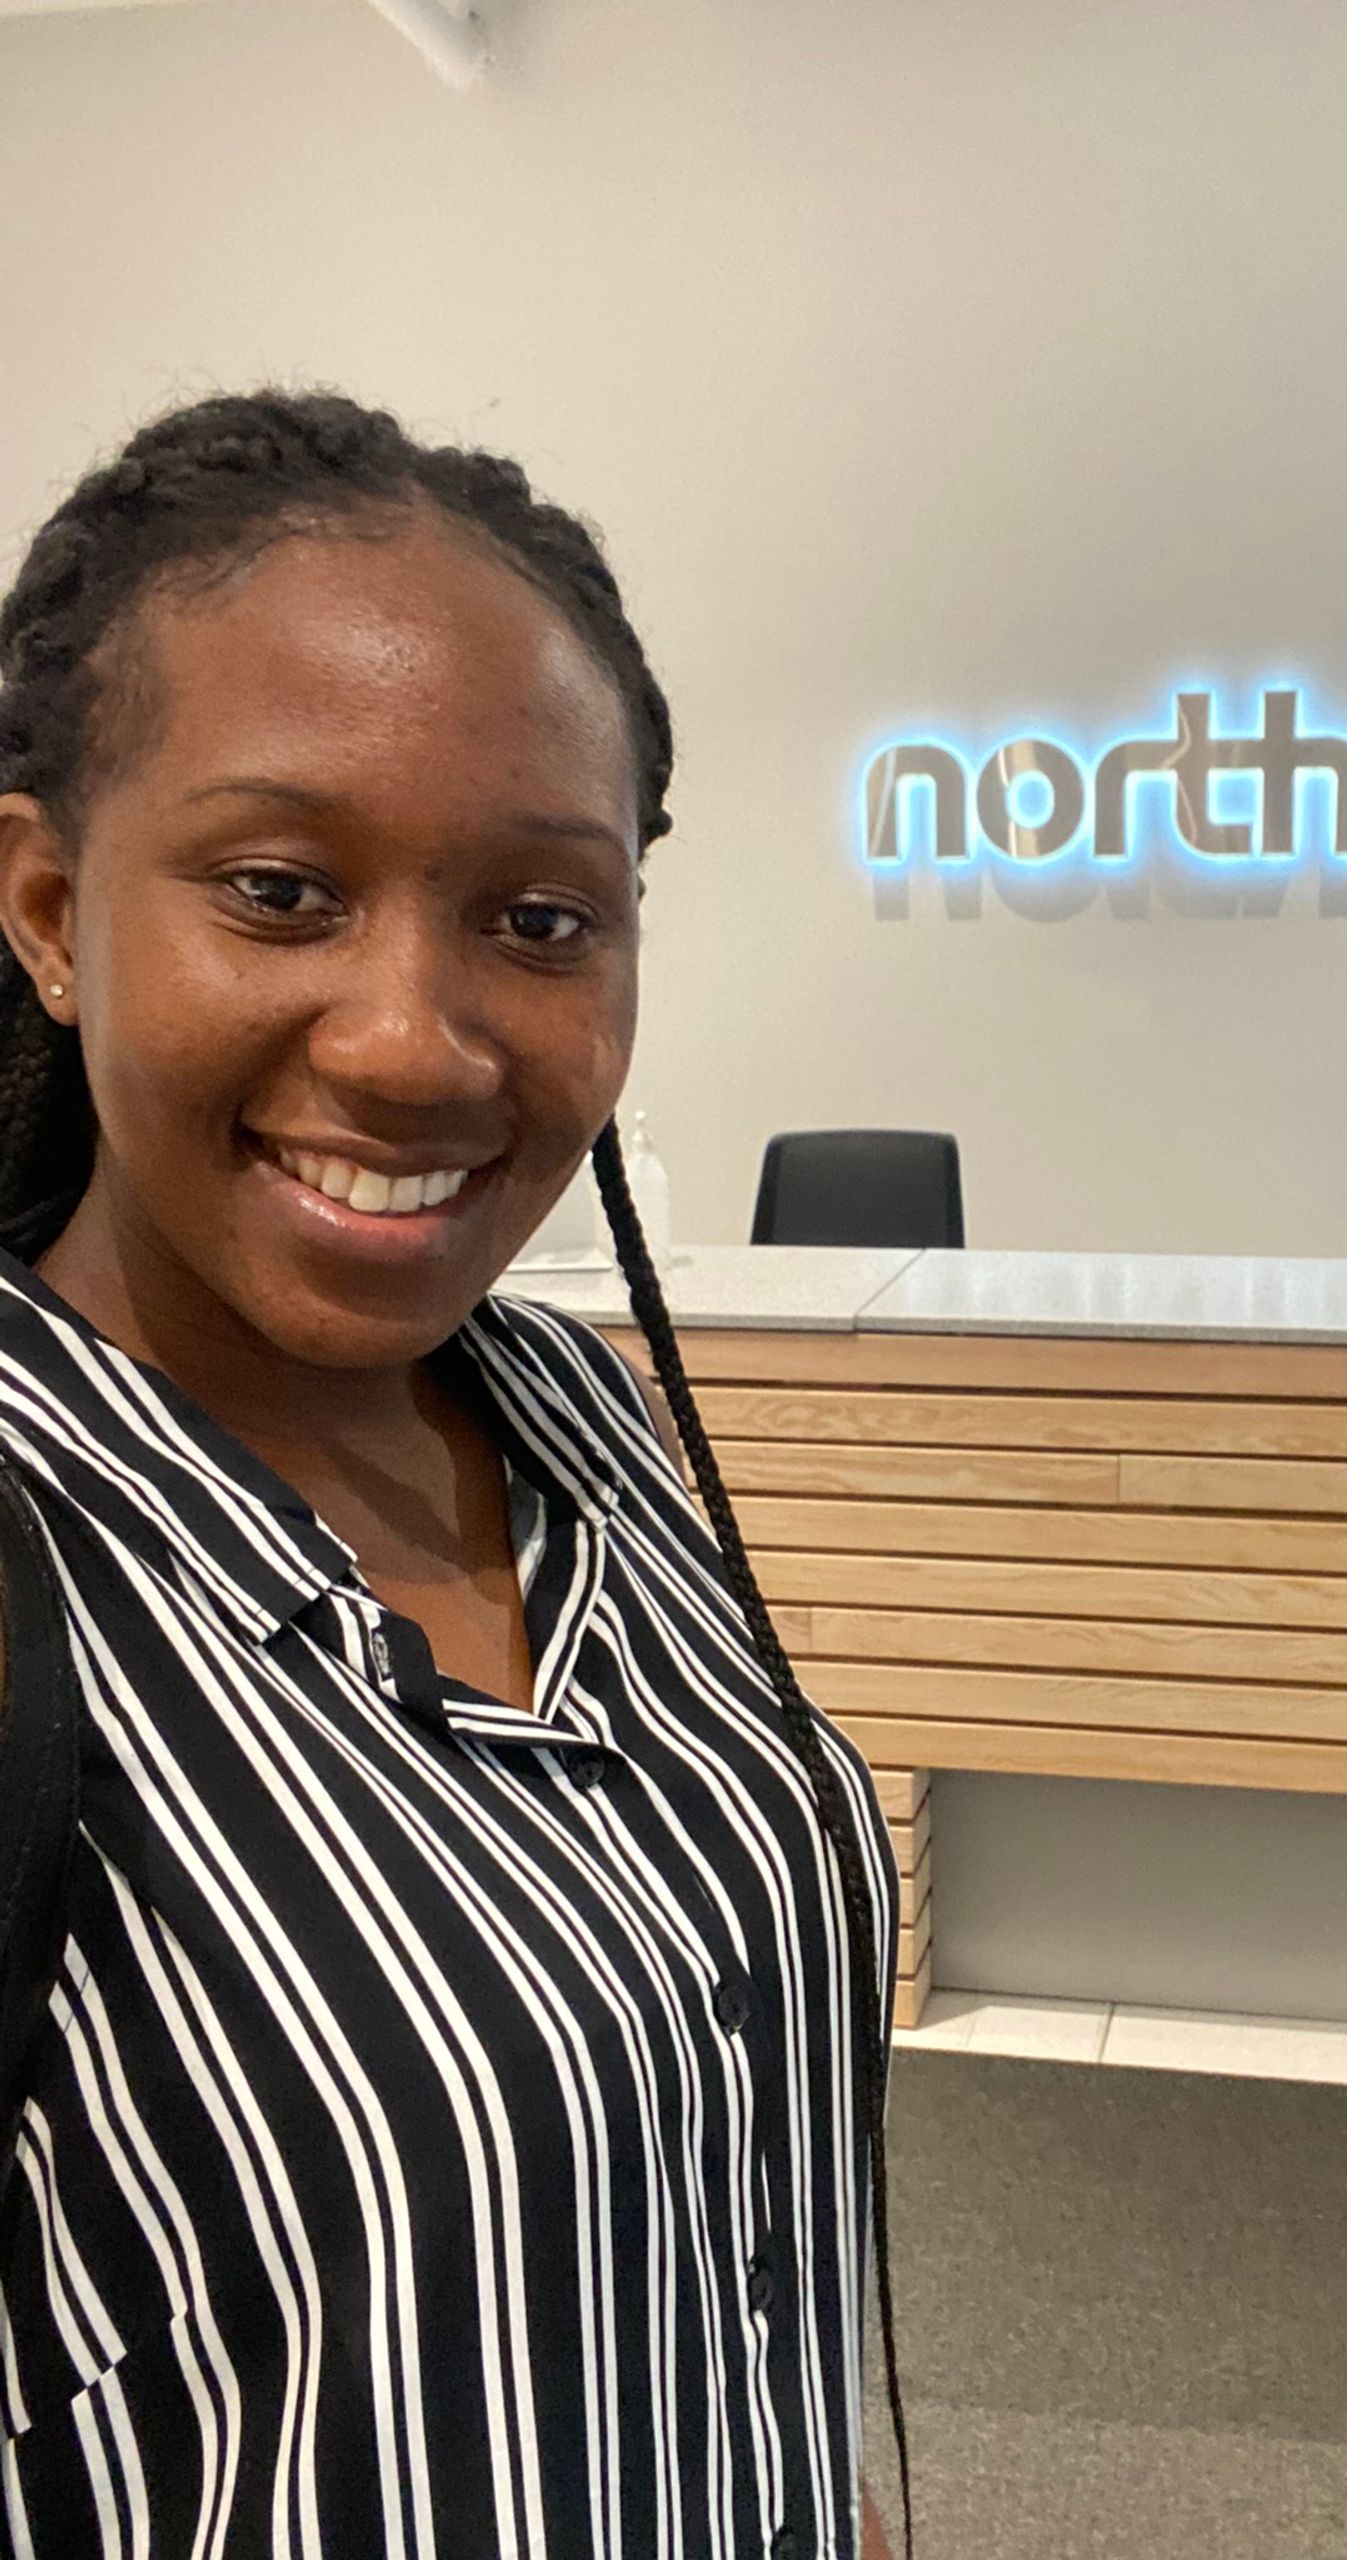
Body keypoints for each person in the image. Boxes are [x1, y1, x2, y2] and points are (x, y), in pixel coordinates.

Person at [0, 391, 905, 2557]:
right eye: (281, 888)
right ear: (44, 904)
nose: (417, 1034)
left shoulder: (577, 1412)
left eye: (540, 917)